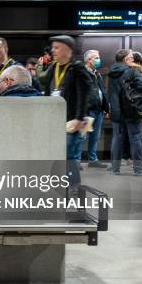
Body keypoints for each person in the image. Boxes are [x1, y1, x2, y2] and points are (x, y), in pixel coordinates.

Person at [42, 35, 91, 187]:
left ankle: (74, 186)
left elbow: (84, 94)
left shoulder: (77, 68)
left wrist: (79, 117)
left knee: (68, 154)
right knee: (59, 154)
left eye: (56, 47)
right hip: (56, 120)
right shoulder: (53, 68)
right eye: (52, 47)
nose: (52, 50)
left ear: (68, 50)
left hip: (73, 120)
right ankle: (60, 183)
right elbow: (46, 91)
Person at [107, 49, 142, 175]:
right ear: (126, 59)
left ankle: (115, 169)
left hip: (116, 110)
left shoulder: (111, 73)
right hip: (132, 110)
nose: (133, 59)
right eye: (131, 57)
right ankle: (138, 169)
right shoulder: (132, 71)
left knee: (117, 139)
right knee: (136, 138)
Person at [83, 50, 110, 168]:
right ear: (88, 60)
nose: (99, 60)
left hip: (98, 110)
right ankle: (75, 161)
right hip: (87, 110)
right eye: (96, 58)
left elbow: (102, 91)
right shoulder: (82, 73)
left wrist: (106, 106)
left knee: (95, 136)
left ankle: (92, 160)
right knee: (81, 136)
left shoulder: (97, 74)